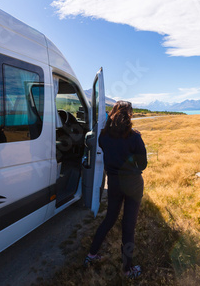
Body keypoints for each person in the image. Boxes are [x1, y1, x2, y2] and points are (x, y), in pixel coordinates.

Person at [84, 101, 147, 279]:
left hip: (114, 183)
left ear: (112, 113)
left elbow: (109, 149)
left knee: (109, 219)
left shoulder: (103, 136)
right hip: (133, 184)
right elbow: (143, 164)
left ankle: (91, 255)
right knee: (128, 226)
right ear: (130, 115)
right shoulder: (134, 137)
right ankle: (128, 270)